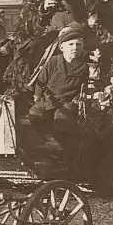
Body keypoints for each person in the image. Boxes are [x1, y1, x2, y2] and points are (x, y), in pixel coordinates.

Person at [29, 22, 89, 154]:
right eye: (70, 44)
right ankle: (50, 140)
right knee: (35, 114)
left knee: (61, 117)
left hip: (68, 102)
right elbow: (41, 81)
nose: (74, 48)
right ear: (62, 47)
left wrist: (80, 97)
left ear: (83, 47)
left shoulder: (83, 67)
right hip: (49, 99)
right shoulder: (54, 62)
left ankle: (62, 146)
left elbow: (84, 87)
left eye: (78, 45)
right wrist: (38, 97)